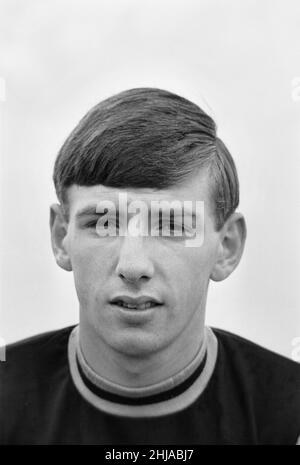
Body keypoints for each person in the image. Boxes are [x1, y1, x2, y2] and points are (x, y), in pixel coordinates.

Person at [0, 88, 299, 445]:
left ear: (227, 247)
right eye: (103, 223)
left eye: (171, 226)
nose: (133, 266)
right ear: (61, 236)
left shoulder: (288, 419)